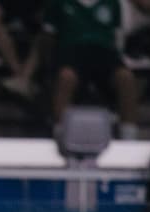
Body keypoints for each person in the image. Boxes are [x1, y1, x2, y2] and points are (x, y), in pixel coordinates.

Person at [41, 0, 139, 139]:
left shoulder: (112, 3)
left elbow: (117, 39)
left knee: (125, 77)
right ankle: (60, 134)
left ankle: (129, 137)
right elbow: (48, 37)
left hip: (103, 52)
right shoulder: (58, 3)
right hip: (71, 51)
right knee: (66, 77)